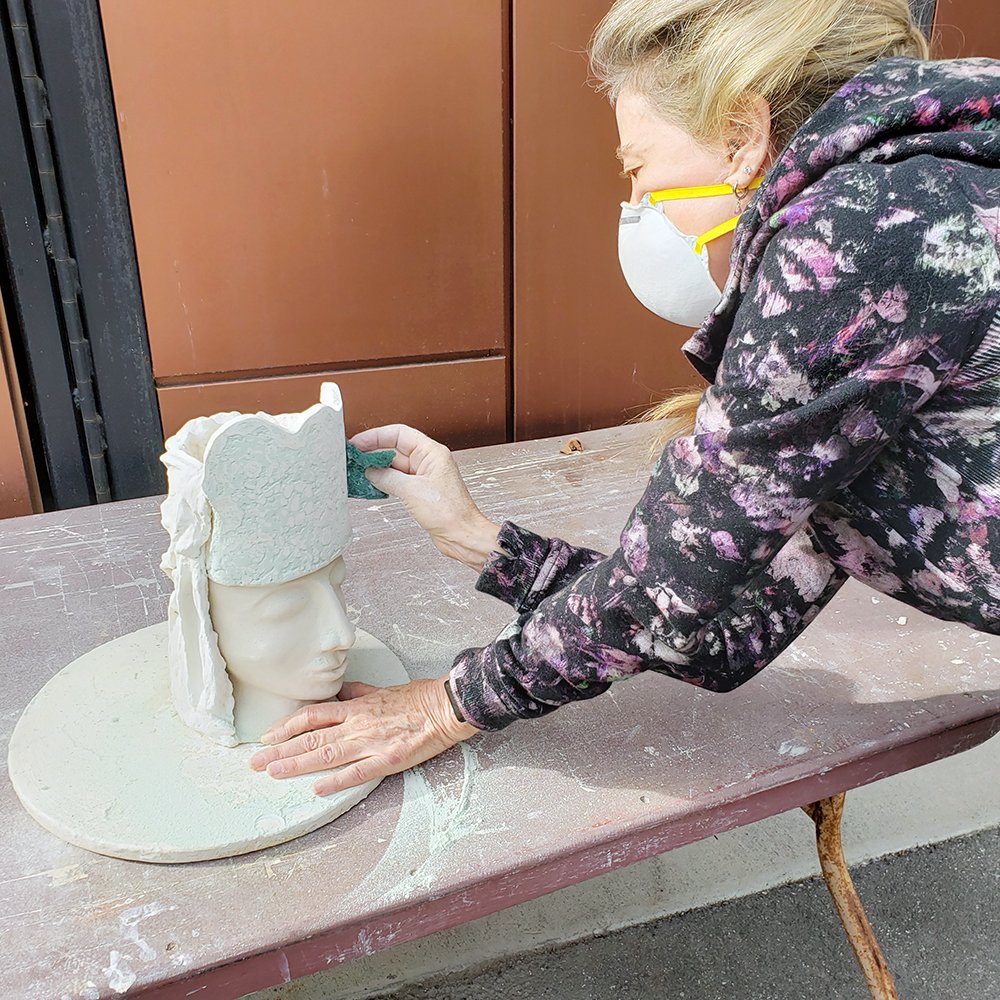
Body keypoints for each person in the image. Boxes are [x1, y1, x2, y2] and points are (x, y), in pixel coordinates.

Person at [250, 0, 1000, 794]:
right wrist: (475, 539)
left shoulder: (864, 236)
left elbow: (664, 597)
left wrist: (445, 706)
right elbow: (719, 629)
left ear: (743, 134)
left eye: (635, 168)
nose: (636, 207)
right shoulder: (928, 197)